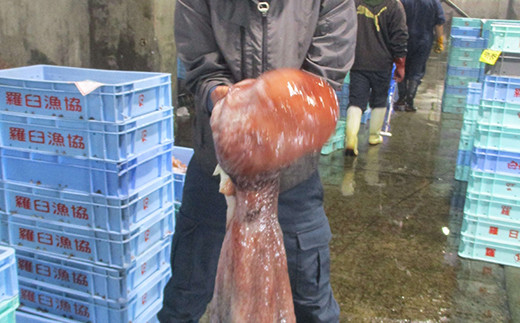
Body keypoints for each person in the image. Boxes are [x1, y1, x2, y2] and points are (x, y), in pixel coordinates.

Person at [158, 1, 357, 322]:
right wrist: (220, 97)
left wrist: (278, 110)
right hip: (215, 173)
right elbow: (201, 65)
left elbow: (325, 74)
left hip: (294, 179)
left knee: (312, 302)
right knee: (186, 295)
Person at [345, 0, 408, 156]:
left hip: (357, 61)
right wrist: (400, 64)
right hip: (382, 63)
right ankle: (374, 136)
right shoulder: (394, 5)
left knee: (356, 101)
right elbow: (399, 36)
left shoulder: (353, 2)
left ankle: (351, 139)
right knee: (379, 99)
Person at [395, 0, 445, 112]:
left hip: (404, 39)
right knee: (416, 71)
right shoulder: (434, 2)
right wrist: (439, 40)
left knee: (402, 67)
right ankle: (409, 102)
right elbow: (439, 22)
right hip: (423, 41)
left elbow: (395, 17)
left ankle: (401, 99)